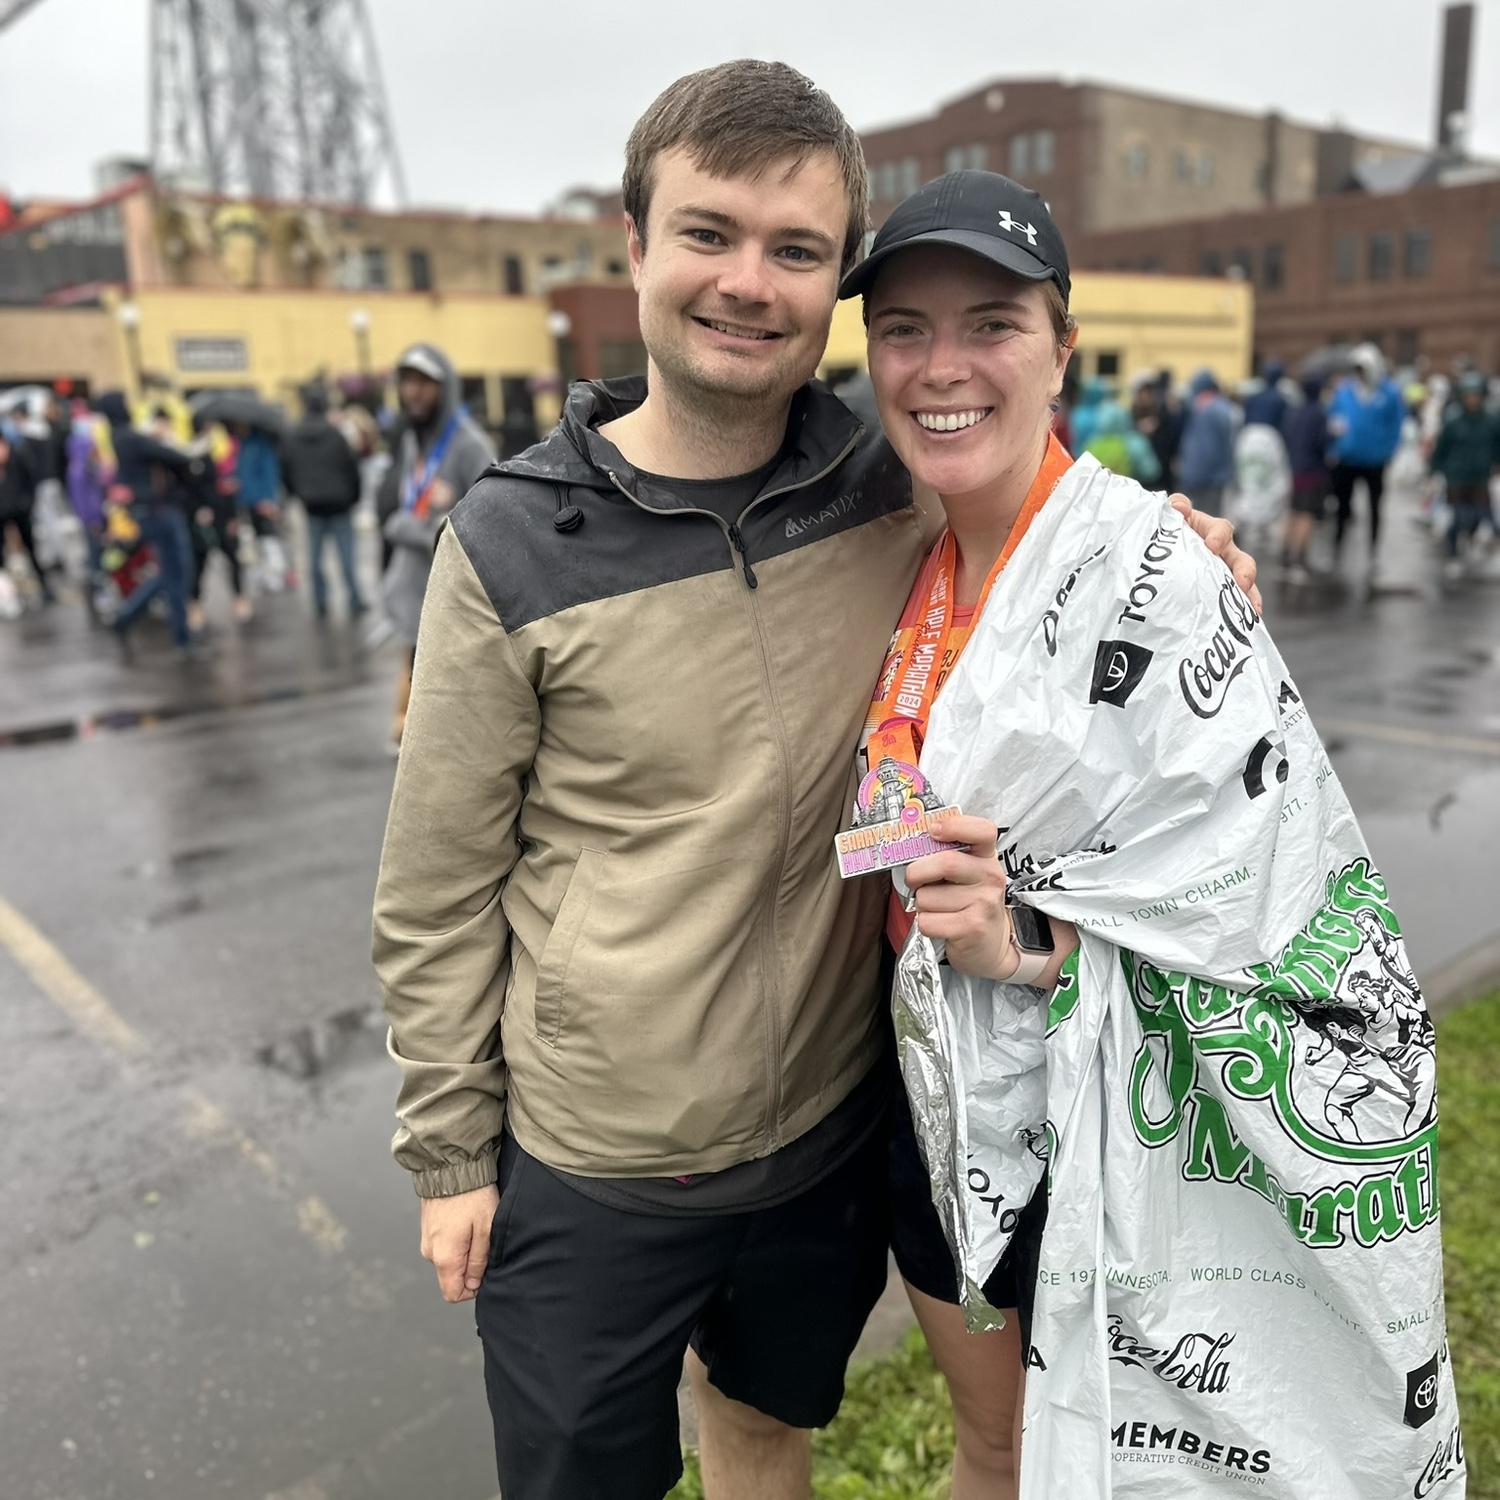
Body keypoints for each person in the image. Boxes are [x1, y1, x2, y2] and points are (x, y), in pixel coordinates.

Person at [371, 62, 1253, 1500]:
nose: (747, 283)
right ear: (635, 242)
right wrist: (450, 1151)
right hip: (597, 1164)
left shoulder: (882, 476)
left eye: (795, 250)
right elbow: (435, 885)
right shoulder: (513, 539)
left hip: (828, 1133)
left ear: (833, 279)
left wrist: (1175, 547)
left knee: (761, 1431)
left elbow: (1032, 503)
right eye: (709, 234)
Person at [845, 168, 1455, 1498]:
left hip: (1110, 1122)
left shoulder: (1161, 576)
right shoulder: (896, 546)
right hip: (934, 1106)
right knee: (998, 1451)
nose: (943, 364)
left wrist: (1034, 944)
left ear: (1064, 351)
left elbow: (1275, 902)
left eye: (991, 323)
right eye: (904, 327)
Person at [380, 343, 493, 746]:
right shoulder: (415, 441)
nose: (414, 392)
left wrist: (403, 527)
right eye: (407, 382)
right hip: (412, 595)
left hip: (448, 601)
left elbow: (483, 527)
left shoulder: (469, 445)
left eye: (425, 383)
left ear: (445, 389)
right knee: (413, 678)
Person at [96, 392, 197, 656]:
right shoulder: (129, 437)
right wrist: (163, 438)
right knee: (175, 574)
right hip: (159, 511)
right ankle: (181, 637)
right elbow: (177, 456)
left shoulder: (119, 437)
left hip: (149, 511)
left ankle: (129, 617)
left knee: (169, 574)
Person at [282, 385, 367, 618]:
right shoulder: (335, 435)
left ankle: (320, 601)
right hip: (340, 504)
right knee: (347, 556)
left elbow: (286, 469)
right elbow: (352, 469)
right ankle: (354, 599)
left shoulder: (293, 436)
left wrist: (298, 493)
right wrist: (354, 497)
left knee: (314, 558)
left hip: (312, 505)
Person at [1327, 343, 1404, 572]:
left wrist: (1389, 451)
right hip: (1347, 459)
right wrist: (1335, 441)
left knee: (1375, 508)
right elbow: (1332, 417)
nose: (1360, 373)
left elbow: (1396, 425)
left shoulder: (1389, 393)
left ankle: (1373, 552)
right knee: (1341, 507)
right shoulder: (1344, 391)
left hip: (1375, 461)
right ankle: (1337, 547)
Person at [1429, 371, 1498, 580]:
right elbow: (1441, 449)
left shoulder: (1491, 421)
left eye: (1476, 395)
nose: (1473, 399)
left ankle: (1468, 541)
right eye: (1469, 395)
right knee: (1458, 517)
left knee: (1479, 516)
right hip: (1456, 476)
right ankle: (1453, 554)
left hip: (1480, 476)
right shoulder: (1454, 421)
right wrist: (1435, 472)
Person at [1279, 374, 1331, 581]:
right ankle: (1299, 559)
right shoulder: (1319, 414)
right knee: (1306, 515)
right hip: (1312, 471)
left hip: (1295, 469)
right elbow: (1322, 442)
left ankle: (1285, 556)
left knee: (1293, 512)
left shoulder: (1293, 411)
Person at [0, 422, 54, 605]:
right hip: (2, 514)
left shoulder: (17, 455)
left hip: (20, 510)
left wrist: (27, 504)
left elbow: (31, 479)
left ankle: (44, 586)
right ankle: (8, 593)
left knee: (32, 548)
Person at [1176, 367, 1238, 515]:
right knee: (1208, 520)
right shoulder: (1223, 409)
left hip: (1196, 474)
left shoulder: (1195, 407)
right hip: (1212, 476)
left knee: (1190, 518)